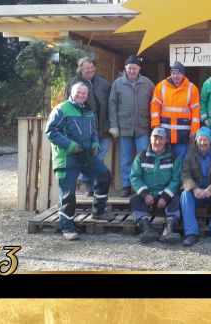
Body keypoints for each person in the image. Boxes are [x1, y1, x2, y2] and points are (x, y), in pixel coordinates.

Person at [45, 82, 114, 241]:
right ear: (72, 92)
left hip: (85, 154)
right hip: (66, 157)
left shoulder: (88, 111)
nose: (81, 95)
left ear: (87, 95)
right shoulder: (61, 109)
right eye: (78, 92)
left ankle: (99, 211)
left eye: (84, 93)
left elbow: (94, 131)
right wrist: (70, 146)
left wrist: (95, 144)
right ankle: (67, 227)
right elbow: (51, 132)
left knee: (104, 175)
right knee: (68, 194)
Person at [64, 57, 112, 197]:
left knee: (99, 156)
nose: (90, 70)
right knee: (89, 156)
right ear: (80, 69)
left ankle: (91, 182)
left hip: (103, 127)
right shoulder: (73, 83)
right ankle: (90, 185)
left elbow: (112, 103)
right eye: (87, 68)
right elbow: (68, 105)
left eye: (92, 67)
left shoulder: (103, 83)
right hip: (85, 127)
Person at [108, 55, 155, 197]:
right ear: (125, 68)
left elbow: (156, 103)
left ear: (139, 69)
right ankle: (126, 186)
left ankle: (143, 186)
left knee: (144, 157)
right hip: (124, 127)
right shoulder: (118, 84)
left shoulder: (147, 83)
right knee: (125, 158)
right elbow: (112, 105)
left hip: (142, 126)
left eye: (134, 68)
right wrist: (114, 125)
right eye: (129, 68)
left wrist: (154, 123)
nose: (132, 71)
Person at [129, 127, 183, 244]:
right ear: (150, 139)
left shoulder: (174, 157)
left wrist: (165, 197)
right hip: (148, 196)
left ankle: (168, 230)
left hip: (164, 196)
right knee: (134, 199)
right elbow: (135, 177)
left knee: (176, 198)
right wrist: (145, 195)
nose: (157, 141)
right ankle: (147, 229)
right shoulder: (141, 156)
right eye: (155, 138)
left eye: (161, 139)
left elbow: (176, 179)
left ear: (166, 140)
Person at [179, 127, 211, 247]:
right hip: (196, 192)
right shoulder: (189, 155)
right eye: (200, 140)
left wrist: (210, 189)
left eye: (205, 140)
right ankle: (191, 233)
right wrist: (194, 189)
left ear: (210, 140)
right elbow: (185, 175)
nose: (202, 143)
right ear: (196, 141)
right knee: (185, 195)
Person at [150, 61, 200, 160]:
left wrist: (194, 130)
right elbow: (154, 107)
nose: (175, 76)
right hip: (164, 132)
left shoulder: (192, 88)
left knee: (180, 160)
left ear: (183, 74)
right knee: (164, 159)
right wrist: (155, 125)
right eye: (173, 73)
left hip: (183, 133)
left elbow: (196, 110)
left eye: (178, 73)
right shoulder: (161, 86)